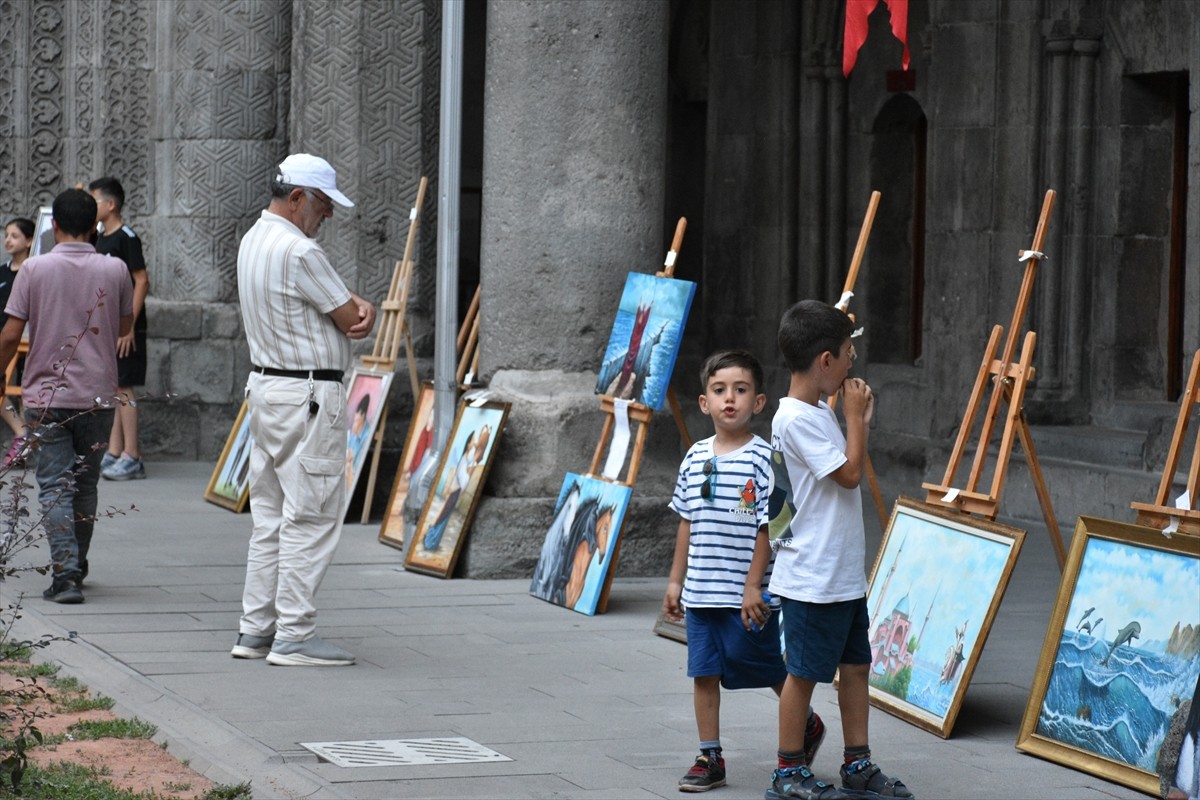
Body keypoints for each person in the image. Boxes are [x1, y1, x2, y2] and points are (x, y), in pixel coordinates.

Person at [231, 153, 376, 667]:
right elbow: (349, 314)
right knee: (310, 514)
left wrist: (350, 304)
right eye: (322, 204)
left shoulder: (254, 239)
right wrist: (364, 307)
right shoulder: (300, 251)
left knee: (269, 514)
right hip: (309, 396)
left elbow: (334, 301)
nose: (328, 216)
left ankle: (256, 629)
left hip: (268, 390)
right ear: (296, 199)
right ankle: (294, 633)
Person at [765, 300, 911, 800]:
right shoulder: (796, 419)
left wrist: (848, 416)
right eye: (848, 353)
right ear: (825, 361)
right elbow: (850, 476)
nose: (853, 363)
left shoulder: (813, 412)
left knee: (855, 667)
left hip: (840, 575)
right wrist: (856, 419)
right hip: (814, 576)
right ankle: (787, 771)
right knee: (802, 676)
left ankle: (857, 761)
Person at [663, 349, 825, 793]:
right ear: (704, 402)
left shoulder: (766, 459)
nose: (729, 399)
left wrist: (755, 585)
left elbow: (773, 528)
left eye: (740, 390)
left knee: (768, 666)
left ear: (758, 402)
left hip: (746, 596)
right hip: (700, 594)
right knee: (704, 672)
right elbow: (685, 521)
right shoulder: (695, 457)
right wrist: (676, 581)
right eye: (719, 391)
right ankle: (709, 756)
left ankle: (806, 724)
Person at [0, 189, 132, 604]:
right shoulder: (116, 270)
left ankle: (65, 573)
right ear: (95, 227)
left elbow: (9, 334)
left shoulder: (34, 270)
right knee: (87, 483)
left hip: (45, 393)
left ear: (52, 226)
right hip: (98, 394)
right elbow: (124, 322)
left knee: (54, 484)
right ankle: (77, 563)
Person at [88, 177, 149, 481]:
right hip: (107, 325)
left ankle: (132, 455)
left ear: (110, 205)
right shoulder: (98, 238)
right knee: (112, 387)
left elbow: (142, 280)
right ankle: (113, 452)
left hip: (126, 327)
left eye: (94, 200)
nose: (90, 206)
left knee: (125, 387)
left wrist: (129, 327)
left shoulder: (127, 237)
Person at [0, 217, 34, 463]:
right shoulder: (2, 272)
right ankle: (21, 434)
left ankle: (26, 441)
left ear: (30, 240)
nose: (8, 240)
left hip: (28, 339)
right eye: (7, 235)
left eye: (15, 236)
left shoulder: (34, 270)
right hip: (4, 340)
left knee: (26, 391)